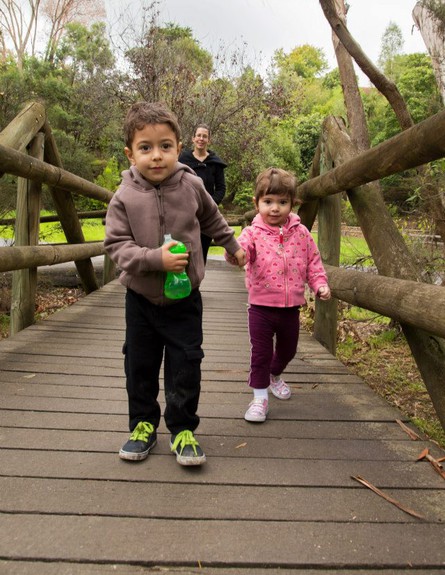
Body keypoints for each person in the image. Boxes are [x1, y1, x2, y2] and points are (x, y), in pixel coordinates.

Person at [104, 101, 245, 465]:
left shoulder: (192, 184)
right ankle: (142, 424)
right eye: (145, 148)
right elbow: (117, 248)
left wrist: (233, 245)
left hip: (186, 299)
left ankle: (182, 429)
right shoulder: (123, 197)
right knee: (139, 364)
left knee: (186, 362)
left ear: (179, 146)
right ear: (130, 153)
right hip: (141, 300)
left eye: (165, 146)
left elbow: (213, 220)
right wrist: (156, 259)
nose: (156, 156)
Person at [225, 167, 331, 423]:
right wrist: (234, 252)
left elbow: (313, 263)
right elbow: (242, 253)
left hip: (290, 308)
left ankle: (274, 375)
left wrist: (320, 284)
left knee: (288, 350)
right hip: (260, 307)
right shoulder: (253, 233)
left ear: (293, 204)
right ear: (257, 202)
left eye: (282, 202)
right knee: (260, 354)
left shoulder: (302, 234)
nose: (275, 208)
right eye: (268, 202)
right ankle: (259, 398)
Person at [179, 123, 227, 263]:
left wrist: (209, 204)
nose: (201, 138)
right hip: (186, 214)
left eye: (204, 136)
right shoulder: (182, 161)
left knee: (201, 256)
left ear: (209, 140)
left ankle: (197, 285)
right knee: (184, 254)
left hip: (206, 216)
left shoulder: (215, 163)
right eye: (198, 135)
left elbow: (221, 188)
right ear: (193, 138)